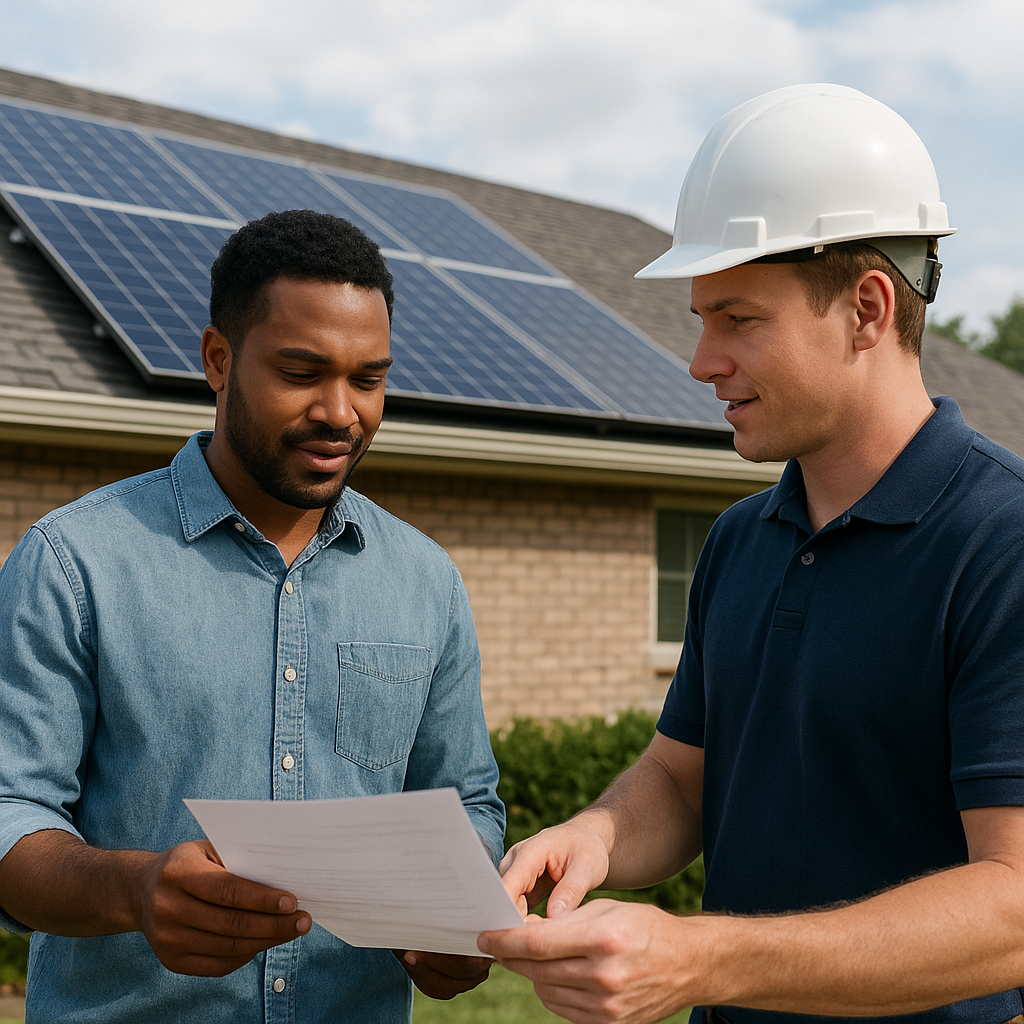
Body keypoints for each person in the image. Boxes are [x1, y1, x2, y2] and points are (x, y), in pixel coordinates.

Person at [479, 84, 1024, 1024]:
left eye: (738, 319)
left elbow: (1013, 908)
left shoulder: (1001, 542)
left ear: (866, 308)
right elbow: (680, 779)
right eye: (702, 319)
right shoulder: (740, 540)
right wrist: (596, 834)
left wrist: (699, 955)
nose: (700, 360)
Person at [0, 209, 503, 1022]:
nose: (342, 412)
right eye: (302, 372)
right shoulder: (74, 562)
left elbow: (466, 804)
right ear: (219, 360)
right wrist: (134, 889)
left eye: (368, 379)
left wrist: (457, 920)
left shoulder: (426, 580)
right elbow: (8, 811)